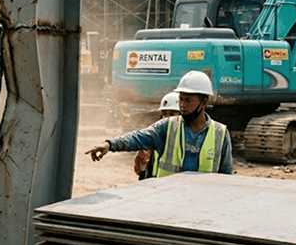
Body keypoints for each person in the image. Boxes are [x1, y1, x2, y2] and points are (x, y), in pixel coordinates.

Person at [87, 71, 232, 175]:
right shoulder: (168, 127)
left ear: (204, 103)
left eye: (188, 100)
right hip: (167, 204)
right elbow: (138, 137)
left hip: (201, 208)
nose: (182, 105)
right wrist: (110, 144)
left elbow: (226, 176)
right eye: (181, 99)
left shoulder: (220, 134)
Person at [133, 91, 181, 180]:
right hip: (155, 186)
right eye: (164, 114)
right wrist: (143, 165)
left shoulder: (185, 138)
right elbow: (140, 172)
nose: (167, 117)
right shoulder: (155, 138)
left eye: (171, 114)